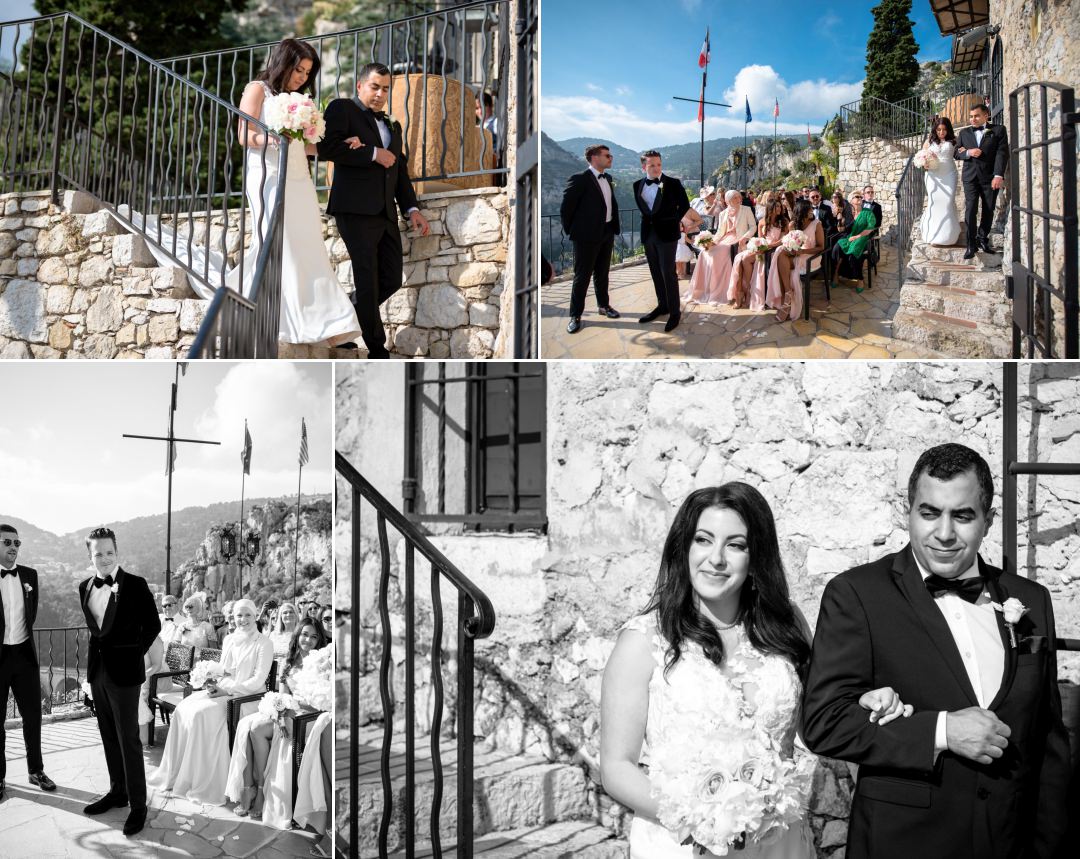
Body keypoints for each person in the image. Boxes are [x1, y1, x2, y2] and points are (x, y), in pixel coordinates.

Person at [600, 484, 903, 858]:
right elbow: (616, 766)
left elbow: (814, 722)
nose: (716, 558)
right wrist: (700, 817)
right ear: (684, 548)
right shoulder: (643, 640)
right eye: (703, 540)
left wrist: (862, 703)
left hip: (779, 843)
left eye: (735, 545)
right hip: (683, 841)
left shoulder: (786, 623)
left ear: (755, 555)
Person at [802, 443, 1070, 859]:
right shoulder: (857, 594)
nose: (944, 533)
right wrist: (943, 731)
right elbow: (824, 721)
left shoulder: (1030, 598)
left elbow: (1049, 747)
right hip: (903, 845)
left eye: (962, 515)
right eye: (929, 513)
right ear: (907, 512)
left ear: (988, 520)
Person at [227, 38, 362, 347]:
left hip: (299, 176)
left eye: (307, 72)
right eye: (298, 69)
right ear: (283, 63)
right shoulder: (257, 89)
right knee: (279, 242)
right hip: (268, 174)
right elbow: (243, 134)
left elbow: (307, 144)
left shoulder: (299, 99)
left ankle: (330, 325)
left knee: (308, 242)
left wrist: (341, 146)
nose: (302, 77)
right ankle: (280, 317)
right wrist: (272, 141)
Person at [318, 61, 432, 358]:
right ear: (360, 86)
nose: (380, 94)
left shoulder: (392, 124)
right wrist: (372, 153)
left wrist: (411, 209)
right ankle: (377, 349)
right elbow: (327, 148)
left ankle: (339, 324)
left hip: (386, 213)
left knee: (391, 279)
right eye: (374, 87)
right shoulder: (342, 108)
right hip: (354, 209)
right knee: (367, 280)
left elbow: (399, 172)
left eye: (385, 88)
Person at [147, 598, 274, 805]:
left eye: (248, 615)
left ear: (254, 616)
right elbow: (224, 670)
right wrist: (212, 682)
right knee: (184, 708)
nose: (243, 620)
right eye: (238, 615)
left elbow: (258, 681)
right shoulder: (230, 639)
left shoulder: (264, 643)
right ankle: (180, 774)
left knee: (201, 714)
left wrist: (227, 689)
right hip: (226, 691)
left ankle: (207, 780)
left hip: (248, 697)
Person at [79, 527, 161, 836]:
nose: (103, 558)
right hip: (98, 672)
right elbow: (97, 632)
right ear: (91, 556)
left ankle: (138, 805)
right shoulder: (84, 586)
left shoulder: (136, 585)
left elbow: (152, 625)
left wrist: (133, 653)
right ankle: (117, 792)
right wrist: (91, 676)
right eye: (97, 553)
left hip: (125, 675)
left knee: (129, 739)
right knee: (108, 735)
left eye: (109, 552)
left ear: (117, 552)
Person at [225, 618, 329, 824]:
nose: (308, 640)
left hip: (308, 715)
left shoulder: (322, 663)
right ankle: (253, 788)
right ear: (298, 635)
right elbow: (283, 697)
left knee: (257, 729)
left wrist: (291, 712)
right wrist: (281, 716)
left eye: (314, 636)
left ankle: (260, 791)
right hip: (288, 711)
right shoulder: (288, 662)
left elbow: (322, 701)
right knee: (248, 726)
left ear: (319, 641)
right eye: (305, 634)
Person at [0, 524, 56, 799]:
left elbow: (30, 616)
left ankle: (36, 771)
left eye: (17, 543)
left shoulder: (30, 575)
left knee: (33, 716)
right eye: (7, 542)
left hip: (23, 654)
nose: (13, 547)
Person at [560, 144, 622, 334]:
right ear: (595, 158)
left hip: (607, 231)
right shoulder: (579, 179)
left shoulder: (608, 178)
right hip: (586, 236)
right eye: (607, 155)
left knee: (603, 273)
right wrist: (575, 231)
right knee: (582, 276)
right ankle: (575, 315)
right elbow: (566, 209)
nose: (611, 158)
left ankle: (604, 306)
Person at [633, 150, 690, 333]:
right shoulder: (637, 185)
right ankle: (662, 305)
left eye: (658, 164)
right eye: (652, 165)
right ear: (644, 167)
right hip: (648, 235)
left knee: (668, 273)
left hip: (667, 234)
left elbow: (685, 205)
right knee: (655, 272)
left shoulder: (673, 183)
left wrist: (674, 221)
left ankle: (675, 312)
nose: (656, 168)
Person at [954, 103, 1009, 258]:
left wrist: (998, 175)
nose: (973, 119)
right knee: (971, 209)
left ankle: (983, 239)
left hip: (990, 177)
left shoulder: (998, 130)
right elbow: (956, 153)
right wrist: (969, 152)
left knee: (988, 208)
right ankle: (971, 244)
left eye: (977, 116)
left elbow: (1002, 153)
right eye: (971, 116)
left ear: (986, 115)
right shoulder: (964, 133)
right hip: (970, 177)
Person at [687, 190, 755, 307]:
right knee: (705, 252)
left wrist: (745, 237)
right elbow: (719, 232)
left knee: (719, 252)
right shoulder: (723, 213)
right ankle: (705, 288)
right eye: (735, 198)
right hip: (724, 238)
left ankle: (722, 291)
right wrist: (713, 241)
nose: (739, 200)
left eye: (739, 197)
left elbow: (753, 226)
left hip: (737, 240)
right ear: (728, 201)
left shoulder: (746, 210)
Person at [767, 199, 823, 322]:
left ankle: (786, 300)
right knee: (780, 252)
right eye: (808, 209)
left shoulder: (817, 224)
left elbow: (821, 247)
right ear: (801, 210)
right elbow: (789, 242)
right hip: (796, 254)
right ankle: (788, 293)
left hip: (810, 256)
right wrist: (791, 248)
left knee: (780, 261)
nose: (811, 211)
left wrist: (802, 251)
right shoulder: (792, 225)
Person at [728, 198, 789, 312]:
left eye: (780, 206)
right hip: (763, 248)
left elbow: (783, 240)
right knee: (742, 259)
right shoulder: (762, 222)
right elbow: (761, 238)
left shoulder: (784, 221)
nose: (779, 209)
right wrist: (759, 246)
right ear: (770, 208)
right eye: (777, 207)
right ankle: (745, 292)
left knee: (746, 259)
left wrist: (768, 247)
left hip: (774, 250)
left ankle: (747, 294)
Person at [918, 116, 962, 247]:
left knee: (948, 202)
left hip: (949, 174)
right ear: (935, 130)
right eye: (938, 130)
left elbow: (960, 153)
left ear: (948, 129)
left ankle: (948, 236)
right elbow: (921, 157)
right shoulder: (928, 141)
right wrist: (924, 164)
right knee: (934, 202)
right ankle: (934, 235)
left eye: (944, 129)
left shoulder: (954, 140)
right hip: (933, 176)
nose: (941, 132)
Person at [830, 192, 876, 292]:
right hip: (849, 237)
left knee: (853, 253)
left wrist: (857, 236)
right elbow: (843, 229)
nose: (859, 198)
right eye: (857, 197)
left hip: (862, 238)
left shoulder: (868, 212)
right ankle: (836, 274)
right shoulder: (849, 213)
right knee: (836, 249)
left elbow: (870, 228)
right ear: (851, 200)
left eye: (860, 196)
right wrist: (839, 218)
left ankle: (860, 279)